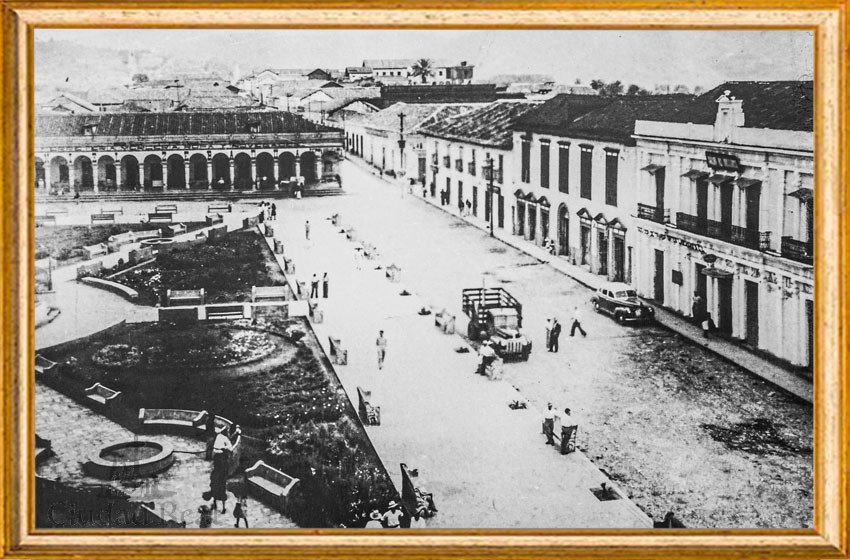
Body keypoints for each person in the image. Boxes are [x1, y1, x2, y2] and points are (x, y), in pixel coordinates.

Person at [210, 425, 233, 513]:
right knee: (221, 487)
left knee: (215, 485)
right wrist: (225, 448)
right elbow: (230, 448)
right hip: (221, 467)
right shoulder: (224, 438)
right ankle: (222, 507)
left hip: (218, 467)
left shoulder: (219, 436)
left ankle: (215, 503)